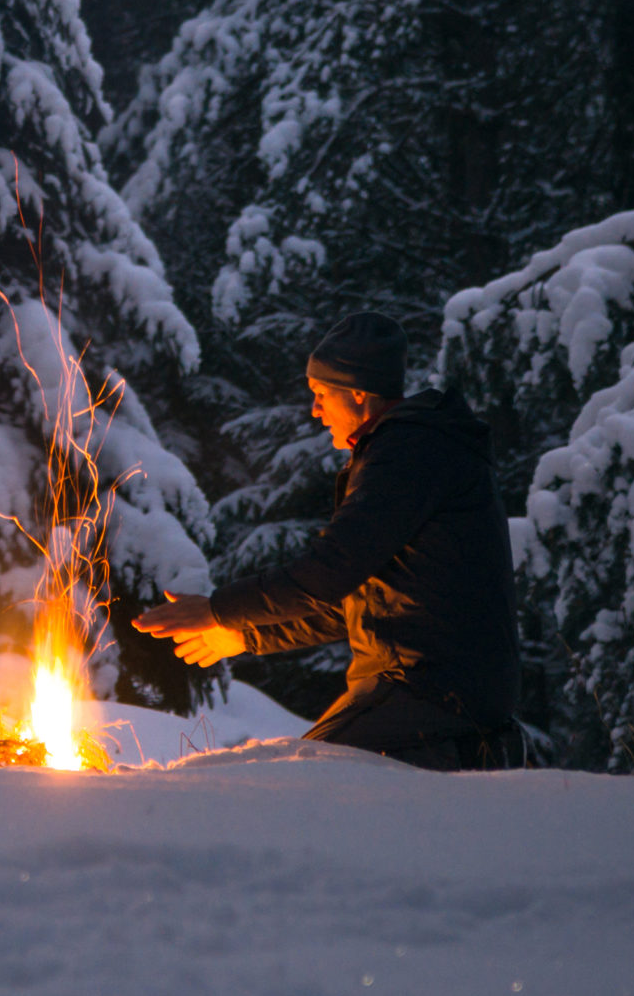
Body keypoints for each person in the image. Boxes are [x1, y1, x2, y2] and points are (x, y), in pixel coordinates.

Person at [133, 311, 522, 770]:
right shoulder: (413, 450)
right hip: (439, 690)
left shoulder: (408, 454)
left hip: (429, 690)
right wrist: (245, 635)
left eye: (321, 395)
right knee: (303, 774)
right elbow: (360, 604)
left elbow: (330, 570)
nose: (315, 411)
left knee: (305, 774)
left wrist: (217, 608)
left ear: (358, 392)